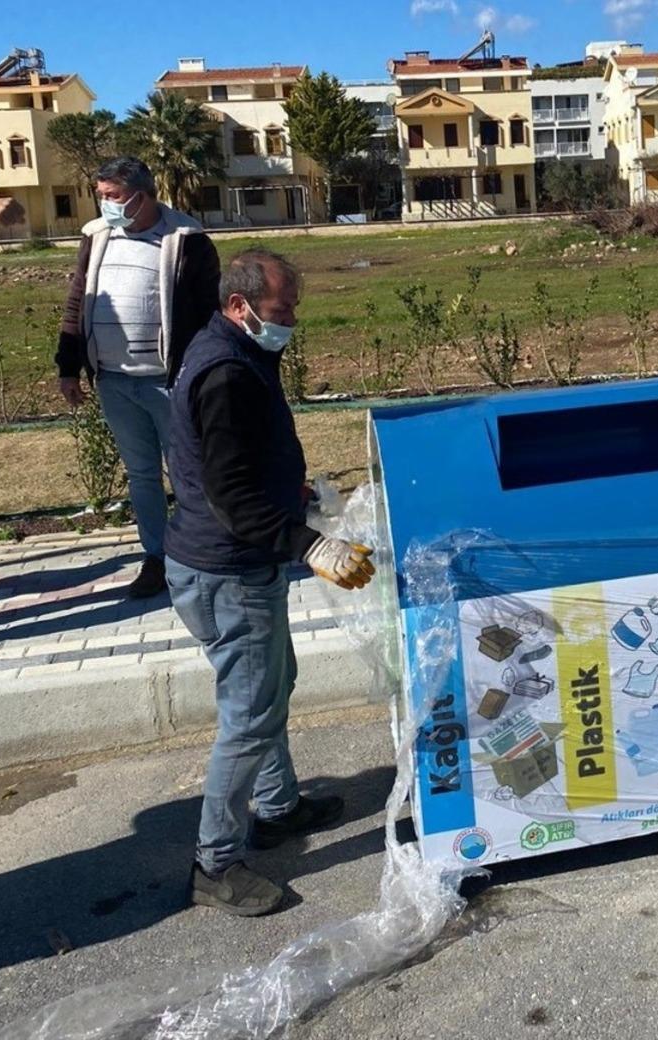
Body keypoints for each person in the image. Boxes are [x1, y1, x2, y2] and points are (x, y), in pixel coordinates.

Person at [165, 248, 376, 916]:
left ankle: (279, 808)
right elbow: (230, 498)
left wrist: (297, 488)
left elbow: (231, 462)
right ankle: (215, 861)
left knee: (272, 685)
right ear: (240, 305)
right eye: (282, 311)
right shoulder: (223, 371)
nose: (290, 322)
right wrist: (311, 544)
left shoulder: (234, 349)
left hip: (235, 563)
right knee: (249, 715)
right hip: (224, 570)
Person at [55, 157, 220, 599]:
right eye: (101, 195)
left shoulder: (187, 239)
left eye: (110, 196)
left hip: (169, 381)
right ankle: (157, 558)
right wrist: (68, 367)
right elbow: (77, 302)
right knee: (141, 474)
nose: (103, 204)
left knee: (188, 470)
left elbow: (208, 313)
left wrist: (200, 373)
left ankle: (200, 553)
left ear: (140, 197)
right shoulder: (97, 237)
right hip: (114, 380)